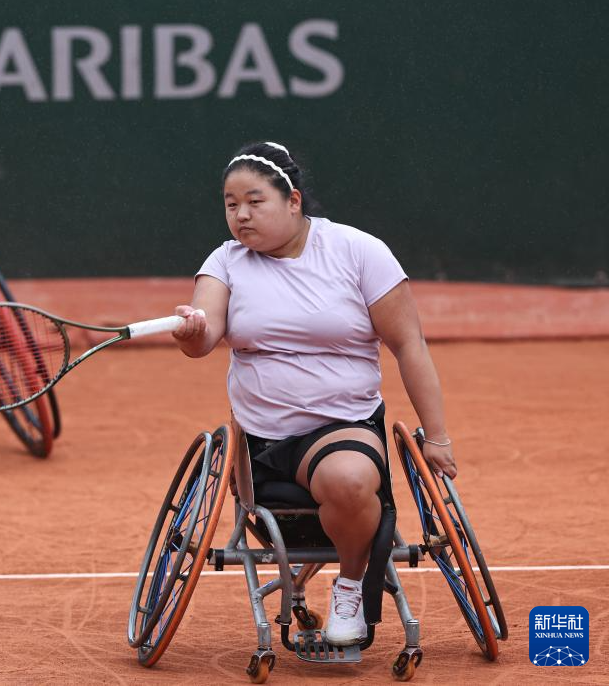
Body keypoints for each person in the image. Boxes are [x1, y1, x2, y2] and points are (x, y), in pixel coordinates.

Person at [171, 141, 457, 647]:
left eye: (254, 201)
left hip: (343, 426)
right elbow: (203, 338)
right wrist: (192, 331)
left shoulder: (358, 251)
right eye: (231, 204)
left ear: (293, 201)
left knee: (348, 481)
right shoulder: (226, 262)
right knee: (331, 478)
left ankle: (349, 587)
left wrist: (437, 436)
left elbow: (409, 345)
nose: (241, 215)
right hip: (261, 442)